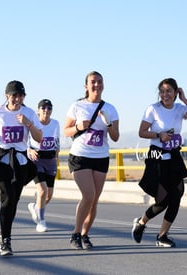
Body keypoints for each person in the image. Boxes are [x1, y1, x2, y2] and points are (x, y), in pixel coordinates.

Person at [132, 78, 187, 248]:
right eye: (162, 91)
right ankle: (141, 222)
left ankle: (162, 236)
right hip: (157, 156)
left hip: (174, 156)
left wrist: (184, 99)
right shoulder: (153, 109)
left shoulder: (180, 108)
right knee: (162, 200)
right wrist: (159, 135)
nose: (165, 94)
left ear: (176, 92)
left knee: (177, 194)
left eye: (169, 91)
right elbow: (142, 132)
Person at [0, 80, 43, 256]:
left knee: (13, 201)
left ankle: (2, 234)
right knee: (7, 198)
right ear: (7, 96)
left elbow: (39, 138)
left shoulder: (29, 113)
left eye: (21, 95)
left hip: (20, 162)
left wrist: (28, 124)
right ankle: (6, 241)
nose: (17, 99)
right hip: (2, 159)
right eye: (14, 95)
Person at [64, 71, 119, 250]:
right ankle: (75, 233)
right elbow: (66, 131)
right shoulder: (77, 106)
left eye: (99, 81)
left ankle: (85, 235)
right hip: (80, 156)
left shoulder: (110, 108)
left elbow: (116, 137)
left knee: (94, 200)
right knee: (88, 195)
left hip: (100, 157)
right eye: (93, 82)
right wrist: (78, 126)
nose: (96, 85)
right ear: (86, 86)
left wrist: (108, 123)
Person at [27, 99, 60, 232]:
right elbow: (24, 141)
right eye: (43, 108)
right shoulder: (33, 124)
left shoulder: (55, 123)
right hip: (36, 159)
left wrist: (57, 154)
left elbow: (57, 140)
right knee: (42, 190)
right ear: (38, 110)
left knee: (49, 194)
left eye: (49, 108)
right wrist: (29, 150)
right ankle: (41, 221)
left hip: (50, 159)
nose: (46, 110)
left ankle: (35, 207)